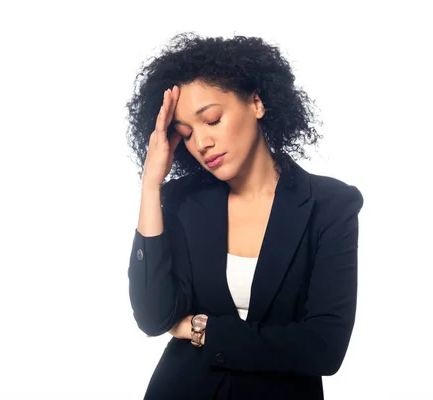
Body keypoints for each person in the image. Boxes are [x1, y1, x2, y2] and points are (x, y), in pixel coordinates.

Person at [125, 32, 364, 399]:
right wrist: (151, 184)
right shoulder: (181, 202)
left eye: (213, 120)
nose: (201, 143)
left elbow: (325, 348)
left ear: (256, 102)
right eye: (186, 134)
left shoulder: (330, 205)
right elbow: (154, 317)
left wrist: (201, 329)